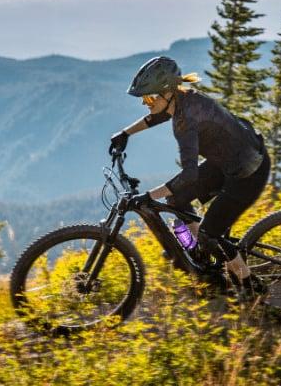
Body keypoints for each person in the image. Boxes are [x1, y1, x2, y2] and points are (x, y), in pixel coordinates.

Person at [109, 56, 269, 298]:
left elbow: (189, 174)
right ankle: (200, 255)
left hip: (248, 171)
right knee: (177, 201)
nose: (145, 103)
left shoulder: (185, 120)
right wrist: (125, 133)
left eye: (150, 97)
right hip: (226, 161)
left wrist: (148, 196)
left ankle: (251, 290)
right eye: (144, 98)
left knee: (210, 235)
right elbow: (158, 115)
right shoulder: (182, 100)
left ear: (167, 93)